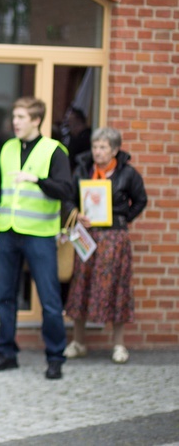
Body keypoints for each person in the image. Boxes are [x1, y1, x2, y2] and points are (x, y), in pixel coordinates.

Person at [0, 97, 72, 380]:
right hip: (8, 231)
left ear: (36, 120)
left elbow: (66, 190)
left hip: (40, 236)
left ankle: (56, 357)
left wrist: (37, 180)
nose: (15, 122)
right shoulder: (8, 148)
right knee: (5, 297)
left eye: (21, 117)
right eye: (15, 116)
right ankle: (6, 353)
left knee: (49, 299)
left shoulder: (54, 150)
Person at [63, 128, 147, 364]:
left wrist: (123, 217)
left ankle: (119, 345)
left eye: (103, 147)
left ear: (114, 150)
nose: (97, 152)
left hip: (114, 238)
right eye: (95, 147)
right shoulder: (83, 170)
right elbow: (69, 197)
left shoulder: (127, 174)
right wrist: (76, 213)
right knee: (81, 285)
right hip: (87, 236)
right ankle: (78, 342)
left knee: (116, 288)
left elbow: (141, 200)